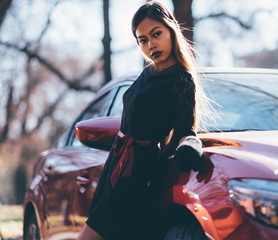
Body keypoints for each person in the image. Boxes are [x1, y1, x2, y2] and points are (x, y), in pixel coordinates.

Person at [77, 1, 206, 239]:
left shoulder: (180, 79)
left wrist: (190, 145)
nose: (150, 44)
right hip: (116, 164)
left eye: (156, 34)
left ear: (171, 31)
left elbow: (186, 128)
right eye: (142, 40)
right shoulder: (148, 73)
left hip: (137, 172)